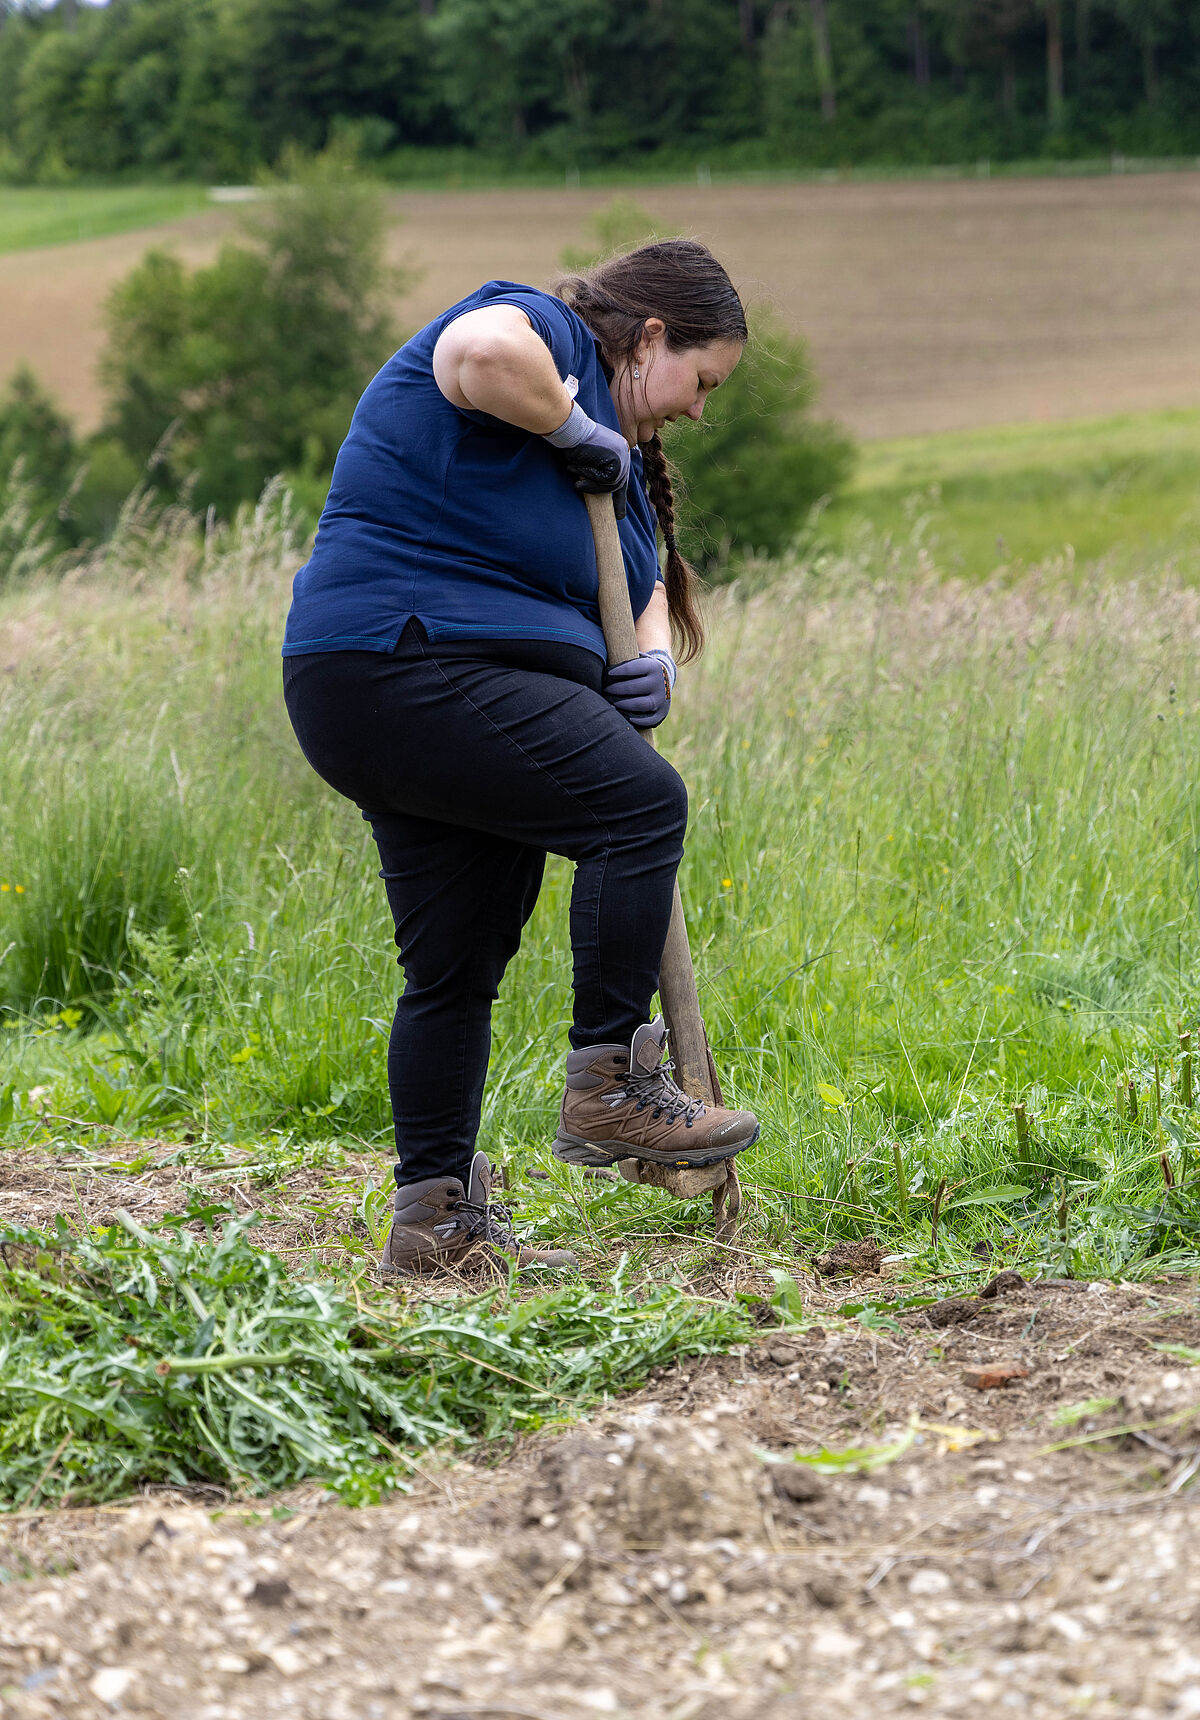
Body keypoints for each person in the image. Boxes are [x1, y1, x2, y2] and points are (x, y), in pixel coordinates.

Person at [282, 238, 761, 1276]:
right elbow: (475, 352)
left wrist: (650, 667)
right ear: (647, 336)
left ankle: (434, 1225)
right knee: (639, 809)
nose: (697, 408)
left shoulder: (620, 478)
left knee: (455, 965)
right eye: (700, 378)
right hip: (405, 657)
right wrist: (570, 419)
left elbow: (636, 595)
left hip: (416, 693)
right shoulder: (542, 335)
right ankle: (611, 1089)